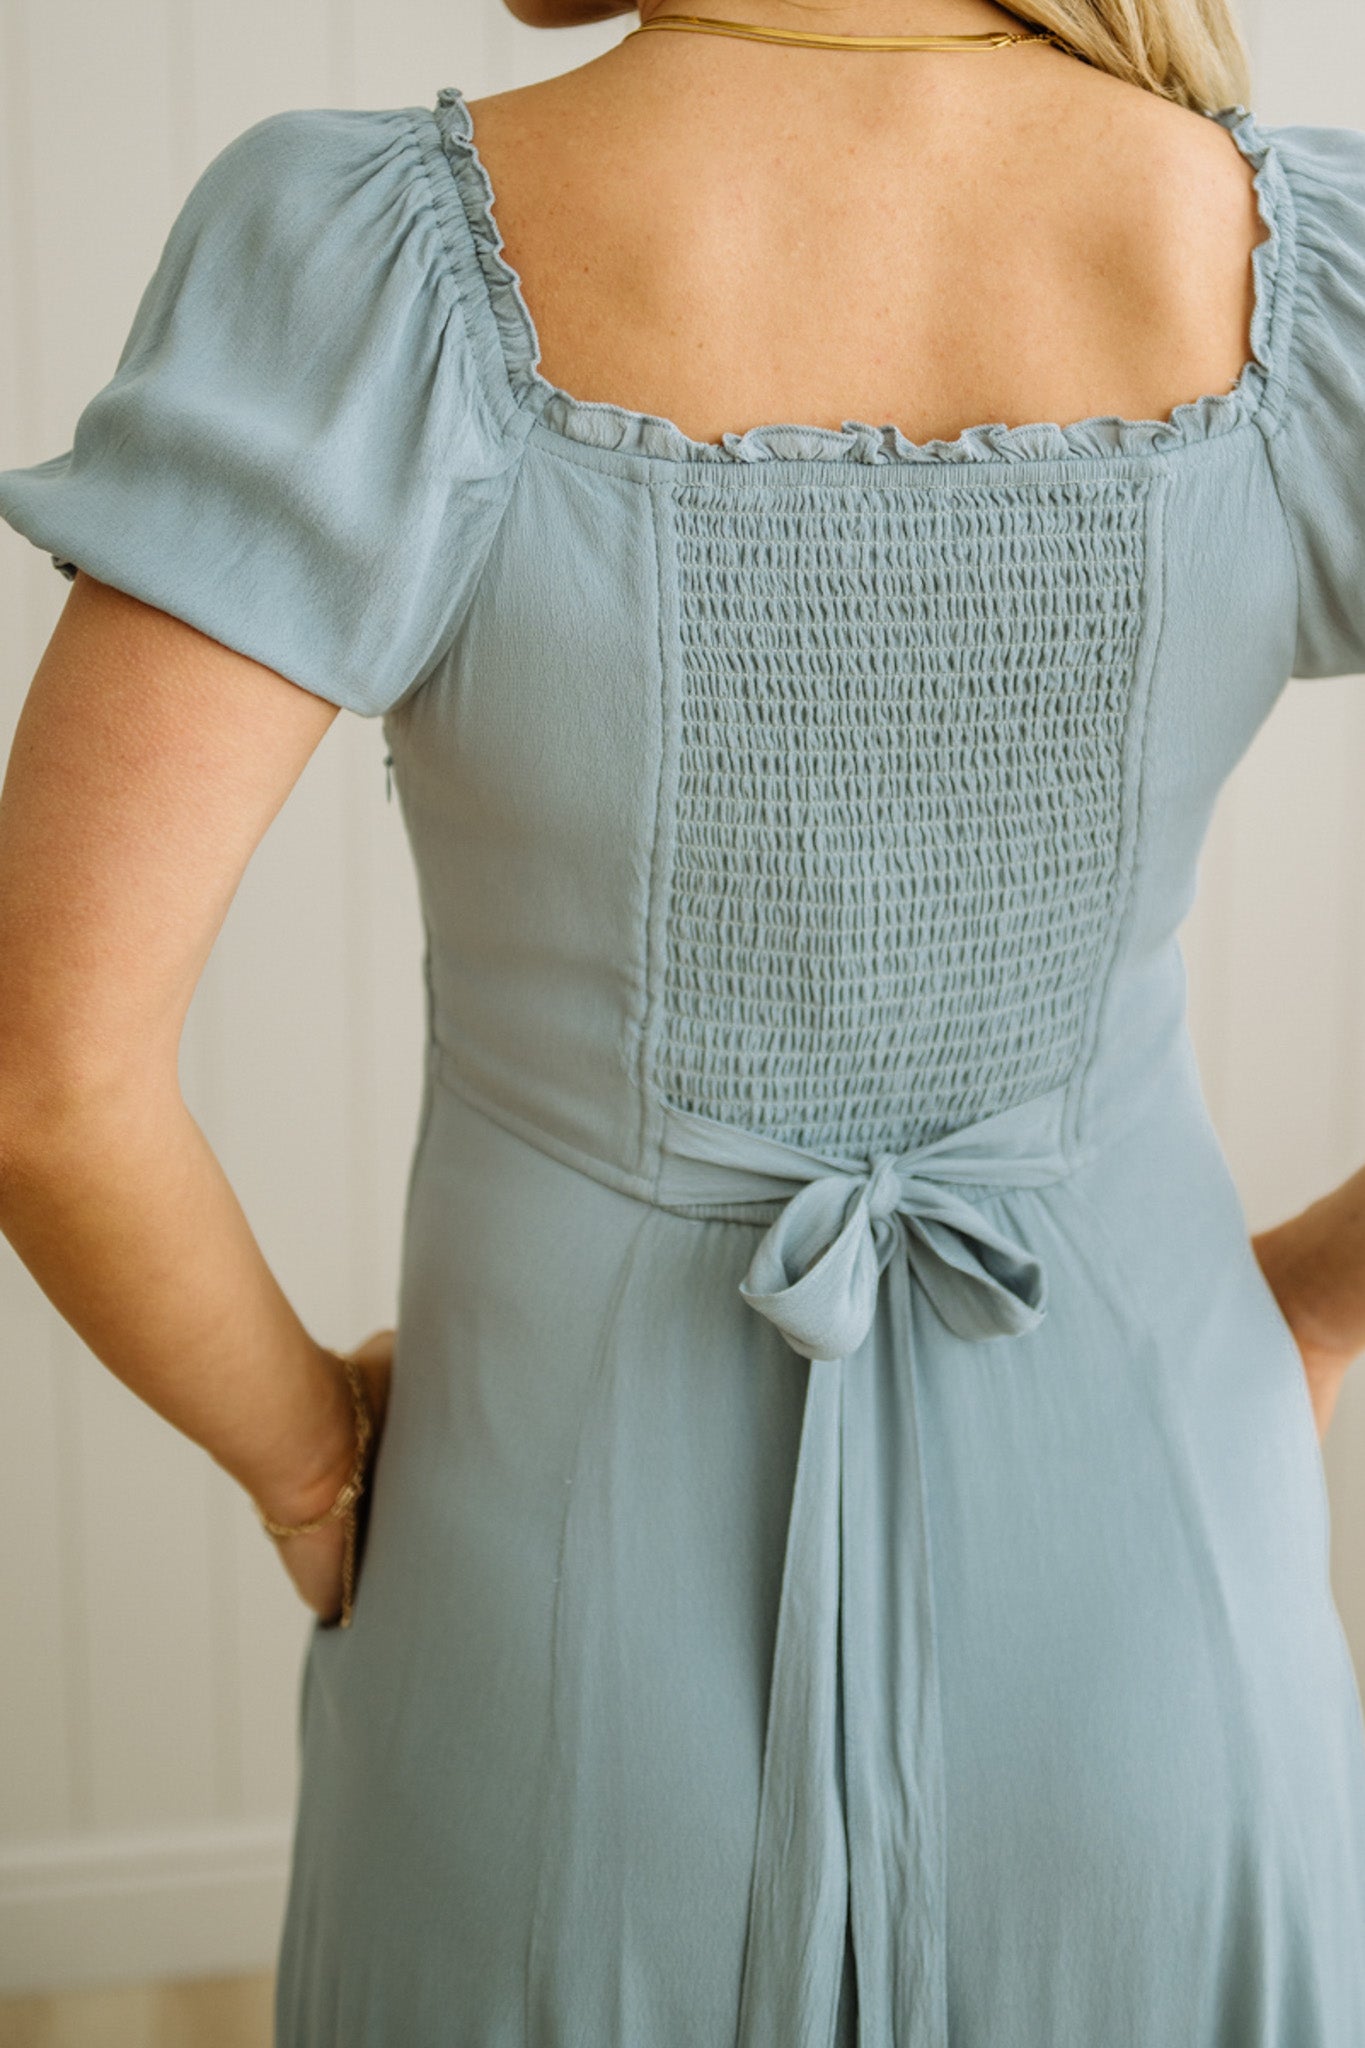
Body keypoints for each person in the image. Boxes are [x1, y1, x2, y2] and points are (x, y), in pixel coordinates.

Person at [1, 0, 1365, 2039]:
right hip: (1162, 1583)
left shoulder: (378, 262)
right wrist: (1306, 1315)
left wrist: (311, 1465)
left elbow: (48, 1077)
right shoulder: (1288, 264)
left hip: (547, 1585)